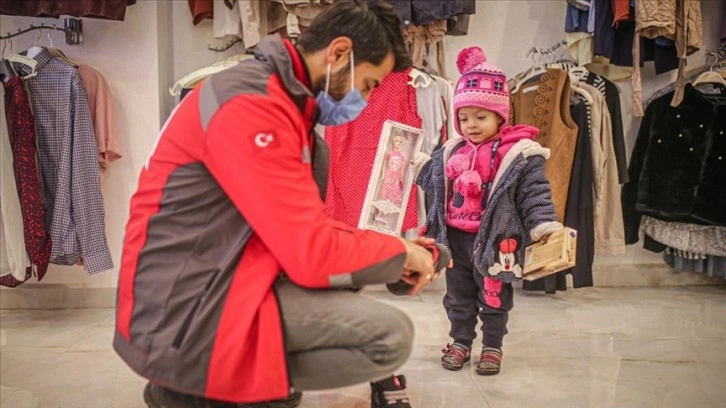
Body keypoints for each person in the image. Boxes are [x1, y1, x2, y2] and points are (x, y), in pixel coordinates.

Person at [113, 1, 441, 407]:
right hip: (185, 308)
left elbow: (300, 229)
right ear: (338, 54)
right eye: (369, 84)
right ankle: (200, 386)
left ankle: (247, 387)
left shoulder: (285, 109)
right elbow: (309, 252)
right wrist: (396, 251)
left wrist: (400, 255)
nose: (367, 100)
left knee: (351, 295)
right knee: (388, 336)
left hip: (221, 276)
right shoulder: (254, 105)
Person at [416, 46, 564, 376]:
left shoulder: (520, 155)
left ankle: (493, 346)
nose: (470, 125)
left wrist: (543, 226)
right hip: (454, 241)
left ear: (500, 115)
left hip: (497, 243)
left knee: (494, 296)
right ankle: (460, 341)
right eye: (463, 118)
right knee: (458, 296)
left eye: (480, 117)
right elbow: (434, 182)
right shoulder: (450, 151)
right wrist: (411, 164)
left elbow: (535, 194)